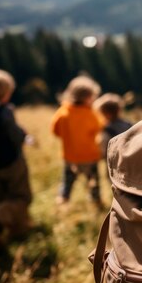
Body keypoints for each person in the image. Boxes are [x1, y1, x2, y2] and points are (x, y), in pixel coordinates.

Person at [0, 69, 33, 256]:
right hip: (11, 163)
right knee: (21, 197)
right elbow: (17, 136)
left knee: (4, 199)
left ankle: (18, 230)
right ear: (6, 93)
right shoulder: (4, 111)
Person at [50, 75, 104, 208]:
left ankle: (63, 199)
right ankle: (96, 201)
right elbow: (99, 128)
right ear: (88, 98)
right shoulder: (91, 114)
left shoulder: (62, 112)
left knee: (67, 181)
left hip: (70, 156)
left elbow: (55, 131)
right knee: (93, 181)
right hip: (89, 156)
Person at [93, 93, 132, 162]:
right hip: (129, 158)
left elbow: (103, 149)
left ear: (107, 114)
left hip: (113, 161)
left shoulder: (107, 129)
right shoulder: (128, 125)